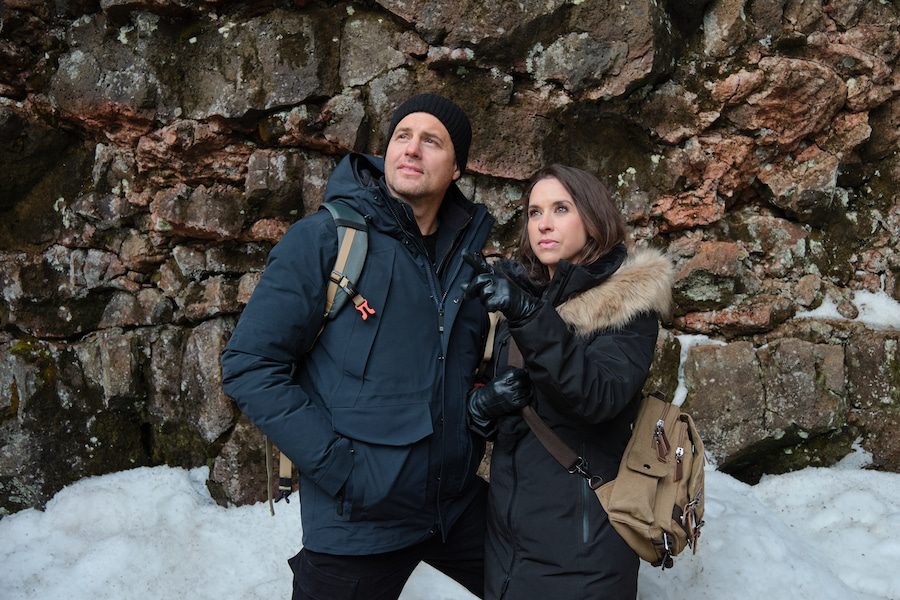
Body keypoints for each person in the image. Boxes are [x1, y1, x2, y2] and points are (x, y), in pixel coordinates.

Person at [221, 93, 495, 600]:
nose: (411, 149)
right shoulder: (325, 238)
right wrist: (341, 471)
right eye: (401, 137)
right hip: (358, 519)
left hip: (452, 505)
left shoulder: (468, 262)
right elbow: (249, 365)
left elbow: (449, 371)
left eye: (431, 141)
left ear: (457, 167)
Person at [462, 164, 674, 599]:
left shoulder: (627, 304)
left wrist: (526, 315)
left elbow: (597, 398)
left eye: (561, 208)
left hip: (582, 552)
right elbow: (516, 405)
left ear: (593, 218)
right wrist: (484, 408)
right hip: (507, 544)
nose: (543, 223)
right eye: (534, 212)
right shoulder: (522, 298)